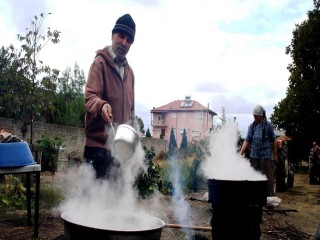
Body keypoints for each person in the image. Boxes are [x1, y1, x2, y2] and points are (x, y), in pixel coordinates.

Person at [83, 14, 136, 179]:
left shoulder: (130, 73)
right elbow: (90, 96)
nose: (124, 43)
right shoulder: (100, 63)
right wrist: (102, 106)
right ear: (113, 35)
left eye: (129, 40)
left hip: (119, 152)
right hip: (97, 149)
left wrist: (134, 134)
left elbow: (131, 111)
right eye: (121, 36)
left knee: (115, 203)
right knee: (93, 203)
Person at [240, 105, 278, 196]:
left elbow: (274, 141)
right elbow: (247, 140)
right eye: (253, 115)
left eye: (256, 115)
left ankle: (269, 198)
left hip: (265, 157)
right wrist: (240, 153)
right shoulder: (252, 126)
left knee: (268, 179)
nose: (254, 117)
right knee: (253, 177)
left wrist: (275, 156)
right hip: (254, 157)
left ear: (261, 116)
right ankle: (255, 197)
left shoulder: (268, 125)